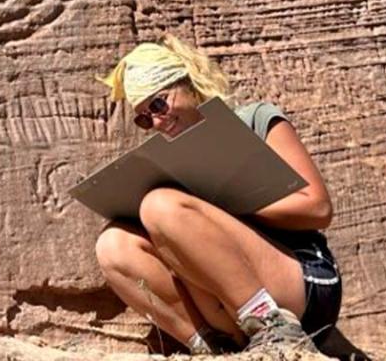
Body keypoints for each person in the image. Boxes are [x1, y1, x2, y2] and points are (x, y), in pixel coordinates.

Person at [94, 34, 342, 355]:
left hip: (304, 284)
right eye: (144, 118)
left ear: (189, 85)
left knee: (161, 206)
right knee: (113, 244)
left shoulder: (255, 119)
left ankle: (275, 328)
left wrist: (224, 204)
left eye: (158, 104)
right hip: (226, 305)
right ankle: (212, 348)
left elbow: (318, 208)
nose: (156, 121)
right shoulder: (170, 162)